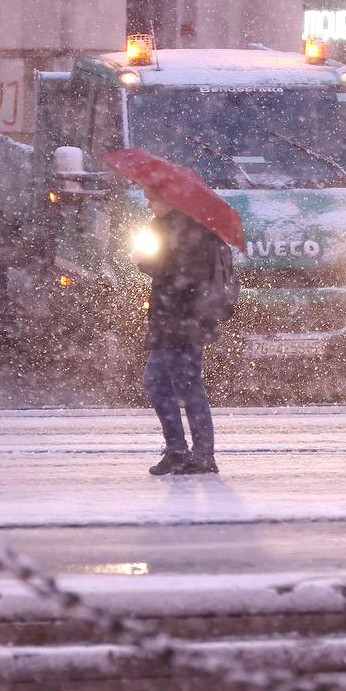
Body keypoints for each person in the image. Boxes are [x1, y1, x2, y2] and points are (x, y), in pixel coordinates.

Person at [135, 185, 232, 475]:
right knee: (157, 384)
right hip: (168, 321)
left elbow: (185, 278)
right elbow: (170, 274)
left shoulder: (193, 232)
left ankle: (203, 455)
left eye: (151, 199)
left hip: (185, 322)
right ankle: (177, 450)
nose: (148, 204)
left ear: (169, 200)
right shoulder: (165, 227)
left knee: (188, 388)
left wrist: (147, 262)